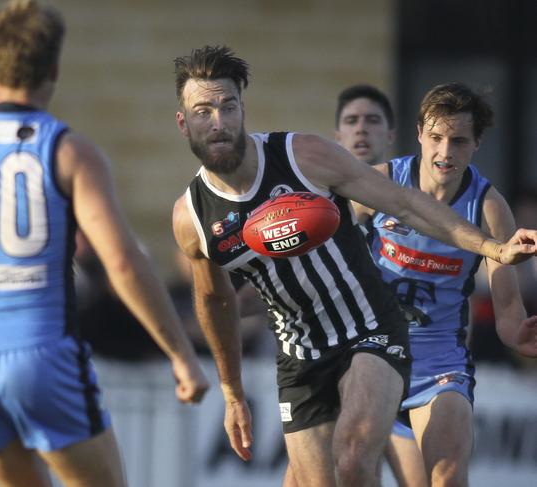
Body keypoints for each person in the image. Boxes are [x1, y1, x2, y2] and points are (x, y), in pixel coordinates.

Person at [170, 45, 537, 487]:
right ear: (183, 121)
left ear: (243, 108)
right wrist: (232, 390)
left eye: (228, 107)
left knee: (381, 461)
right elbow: (222, 297)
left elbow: (406, 206)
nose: (218, 122)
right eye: (203, 110)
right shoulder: (192, 217)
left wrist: (494, 252)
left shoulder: (304, 157)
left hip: (385, 334)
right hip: (301, 353)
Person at [0, 2, 208, 486]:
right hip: (40, 354)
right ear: (53, 71)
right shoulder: (68, 151)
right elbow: (121, 261)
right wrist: (181, 354)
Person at [351, 82, 537, 486]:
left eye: (458, 141)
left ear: (477, 144)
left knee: (446, 478)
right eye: (435, 138)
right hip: (371, 349)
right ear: (419, 133)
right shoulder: (381, 184)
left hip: (438, 360)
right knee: (341, 468)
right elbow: (325, 247)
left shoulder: (488, 206)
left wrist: (519, 335)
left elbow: (507, 310)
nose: (445, 152)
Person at [336, 84, 428, 487]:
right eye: (351, 122)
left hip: (412, 364)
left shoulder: (419, 202)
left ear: (391, 134)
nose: (362, 130)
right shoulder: (320, 209)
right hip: (343, 362)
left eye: (372, 121)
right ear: (337, 135)